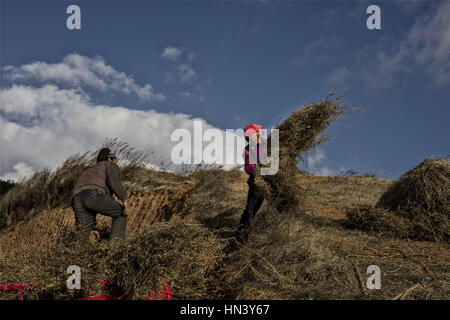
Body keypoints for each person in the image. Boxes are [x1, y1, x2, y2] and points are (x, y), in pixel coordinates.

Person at [71, 148, 129, 242]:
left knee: (82, 235)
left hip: (76, 198)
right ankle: (116, 248)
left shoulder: (88, 170)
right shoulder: (109, 164)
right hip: (93, 195)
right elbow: (114, 182)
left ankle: (81, 254)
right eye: (115, 159)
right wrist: (124, 199)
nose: (116, 162)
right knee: (121, 214)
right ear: (109, 158)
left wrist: (93, 226)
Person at [234, 124, 266, 243]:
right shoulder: (248, 150)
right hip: (255, 180)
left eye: (257, 134)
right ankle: (241, 232)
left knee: (257, 207)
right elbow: (248, 169)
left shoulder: (266, 145)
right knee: (251, 206)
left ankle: (247, 231)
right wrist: (257, 166)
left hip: (266, 181)